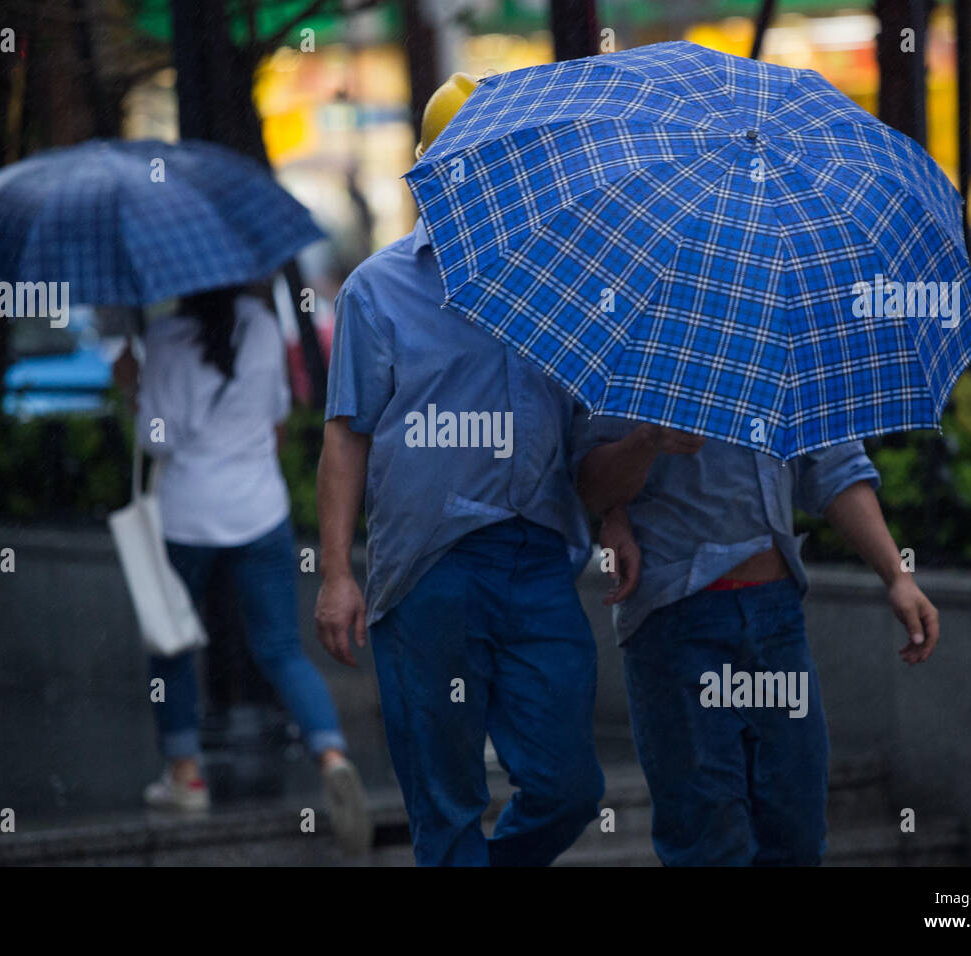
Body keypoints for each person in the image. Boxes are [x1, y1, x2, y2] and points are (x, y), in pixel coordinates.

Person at [314, 73, 605, 867]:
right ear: (436, 175)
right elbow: (345, 437)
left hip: (539, 559)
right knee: (444, 808)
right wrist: (338, 574)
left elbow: (584, 432)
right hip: (428, 568)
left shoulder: (562, 285)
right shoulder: (380, 289)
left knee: (570, 787)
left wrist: (619, 524)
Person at [575, 419, 940, 866]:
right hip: (677, 618)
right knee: (708, 839)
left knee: (797, 830)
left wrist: (897, 577)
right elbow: (592, 485)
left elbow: (836, 469)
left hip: (776, 616)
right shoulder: (651, 356)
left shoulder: (787, 351)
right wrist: (647, 442)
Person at [113, 283, 371, 855]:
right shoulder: (260, 326)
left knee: (174, 644)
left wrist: (133, 386)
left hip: (187, 519)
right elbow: (278, 420)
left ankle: (186, 777)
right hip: (260, 511)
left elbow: (158, 440)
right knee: (280, 647)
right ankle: (331, 755)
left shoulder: (163, 338)